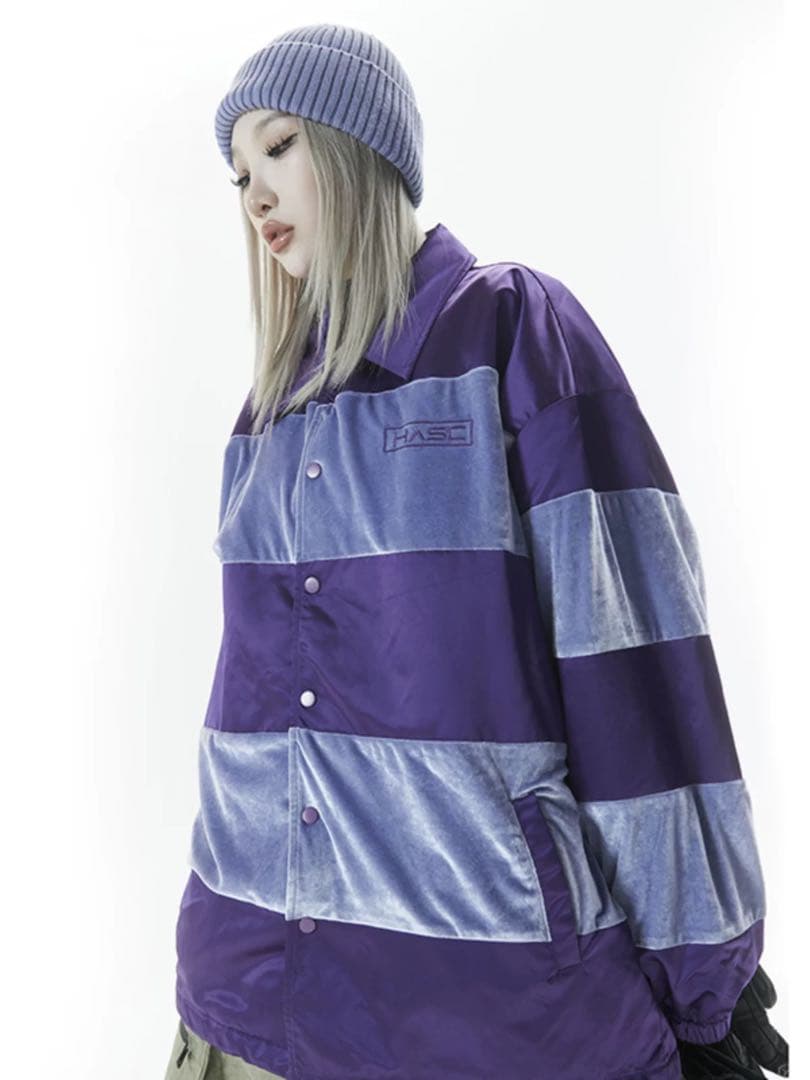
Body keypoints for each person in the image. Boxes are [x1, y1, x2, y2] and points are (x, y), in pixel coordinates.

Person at [164, 22, 787, 1080]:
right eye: (238, 175)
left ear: (360, 145)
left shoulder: (510, 330)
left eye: (279, 146)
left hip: (488, 1020)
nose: (255, 193)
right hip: (245, 1006)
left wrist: (705, 970)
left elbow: (634, 662)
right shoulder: (266, 417)